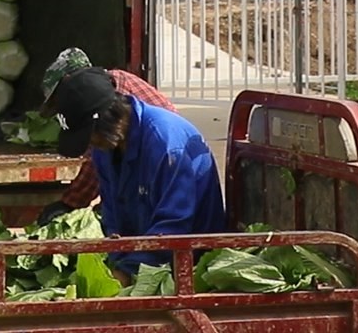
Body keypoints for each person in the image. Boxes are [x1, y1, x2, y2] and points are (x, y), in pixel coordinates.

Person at [49, 66, 227, 283]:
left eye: (89, 135)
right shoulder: (105, 148)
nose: (90, 144)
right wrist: (117, 260)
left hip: (190, 264)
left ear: (108, 119)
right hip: (140, 260)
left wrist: (126, 273)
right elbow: (112, 214)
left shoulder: (165, 143)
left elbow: (174, 226)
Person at [34, 48, 177, 224]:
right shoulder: (104, 91)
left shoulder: (110, 97)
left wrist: (71, 203)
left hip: (160, 166)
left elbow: (96, 159)